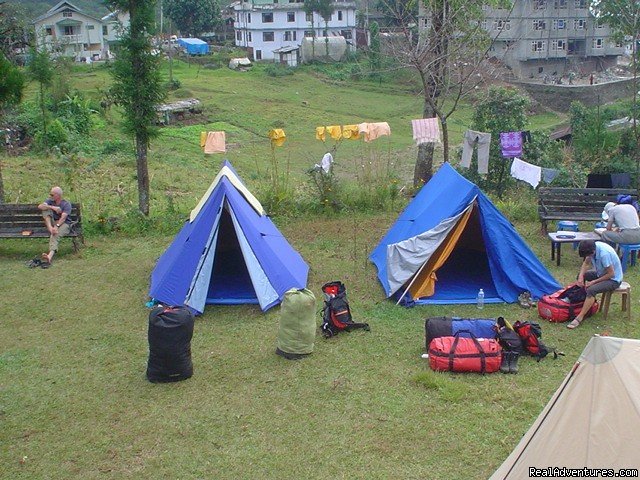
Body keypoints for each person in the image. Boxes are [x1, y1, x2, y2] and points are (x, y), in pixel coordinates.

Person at [567, 240, 622, 329]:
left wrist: (594, 282)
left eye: (588, 255)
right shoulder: (592, 248)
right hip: (600, 273)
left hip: (613, 280)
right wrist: (581, 276)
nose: (587, 257)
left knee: (592, 290)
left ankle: (580, 317)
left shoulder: (604, 254)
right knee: (581, 276)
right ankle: (582, 302)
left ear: (592, 252)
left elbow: (611, 274)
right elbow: (586, 263)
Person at [37, 186, 72, 265]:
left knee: (55, 234)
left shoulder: (66, 204)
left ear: (58, 195)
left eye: (52, 195)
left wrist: (56, 227)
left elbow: (63, 218)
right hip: (52, 223)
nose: (50, 196)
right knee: (45, 210)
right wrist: (53, 207)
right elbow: (40, 206)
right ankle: (50, 228)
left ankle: (49, 256)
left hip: (64, 224)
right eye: (50, 194)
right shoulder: (49, 201)